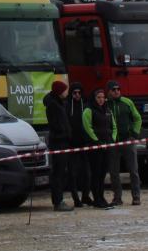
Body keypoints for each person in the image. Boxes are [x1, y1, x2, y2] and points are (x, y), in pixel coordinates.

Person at [105, 80, 143, 206]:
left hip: (127, 140)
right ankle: (117, 197)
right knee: (114, 171)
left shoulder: (127, 102)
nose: (116, 91)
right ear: (108, 91)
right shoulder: (105, 104)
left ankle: (136, 196)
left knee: (133, 170)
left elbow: (137, 118)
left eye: (118, 89)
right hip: (113, 142)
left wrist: (134, 134)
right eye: (113, 90)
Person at [82, 87, 116, 209]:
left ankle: (101, 197)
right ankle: (97, 198)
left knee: (102, 174)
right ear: (94, 98)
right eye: (98, 97)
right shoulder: (88, 110)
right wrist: (97, 141)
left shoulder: (107, 110)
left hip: (107, 145)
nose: (101, 100)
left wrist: (112, 139)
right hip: (95, 146)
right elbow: (87, 127)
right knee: (96, 173)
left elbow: (113, 126)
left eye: (103, 97)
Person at [43, 80, 74, 211]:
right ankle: (58, 200)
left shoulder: (60, 103)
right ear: (60, 91)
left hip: (63, 141)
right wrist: (65, 133)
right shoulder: (54, 105)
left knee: (61, 172)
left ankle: (59, 199)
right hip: (59, 141)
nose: (67, 92)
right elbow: (57, 124)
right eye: (65, 90)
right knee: (58, 172)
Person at [67, 82, 93, 207]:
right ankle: (75, 198)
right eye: (74, 93)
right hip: (71, 144)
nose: (77, 95)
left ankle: (85, 196)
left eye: (79, 93)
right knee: (73, 172)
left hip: (84, 142)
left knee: (87, 172)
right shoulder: (67, 106)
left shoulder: (86, 105)